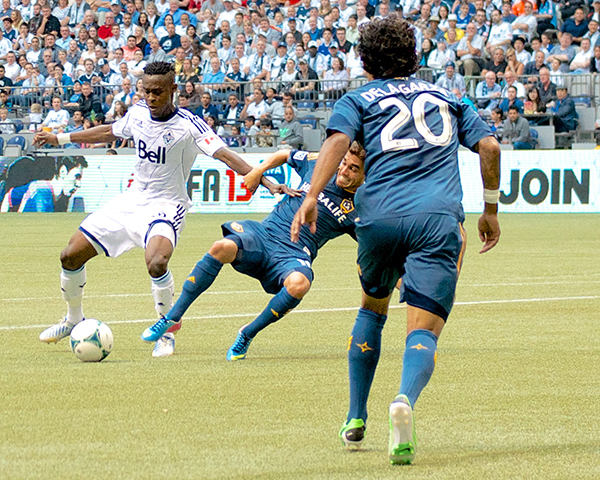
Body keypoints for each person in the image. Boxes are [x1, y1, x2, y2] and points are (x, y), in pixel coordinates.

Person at [290, 13, 500, 466]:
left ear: (366, 62)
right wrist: (490, 210)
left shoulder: (358, 97)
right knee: (423, 330)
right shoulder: (449, 96)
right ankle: (403, 399)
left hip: (377, 218)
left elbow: (337, 141)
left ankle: (353, 416)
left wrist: (311, 196)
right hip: (437, 221)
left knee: (373, 307)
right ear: (415, 55)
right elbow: (491, 148)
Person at [35, 62, 293, 358]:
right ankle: (72, 319)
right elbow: (109, 132)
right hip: (132, 199)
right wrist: (61, 138)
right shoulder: (138, 113)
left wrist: (267, 181)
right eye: (146, 91)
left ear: (174, 90)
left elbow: (225, 155)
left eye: (158, 92)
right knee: (69, 255)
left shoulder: (189, 125)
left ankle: (166, 329)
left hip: (167, 205)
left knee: (157, 262)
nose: (151, 98)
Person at [140, 144, 365, 359]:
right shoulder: (320, 164)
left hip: (293, 253)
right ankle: (172, 317)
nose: (343, 170)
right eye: (344, 163)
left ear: (366, 173)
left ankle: (247, 334)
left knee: (299, 284)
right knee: (222, 247)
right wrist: (258, 171)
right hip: (265, 233)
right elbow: (284, 154)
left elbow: (376, 250)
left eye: (353, 168)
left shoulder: (361, 207)